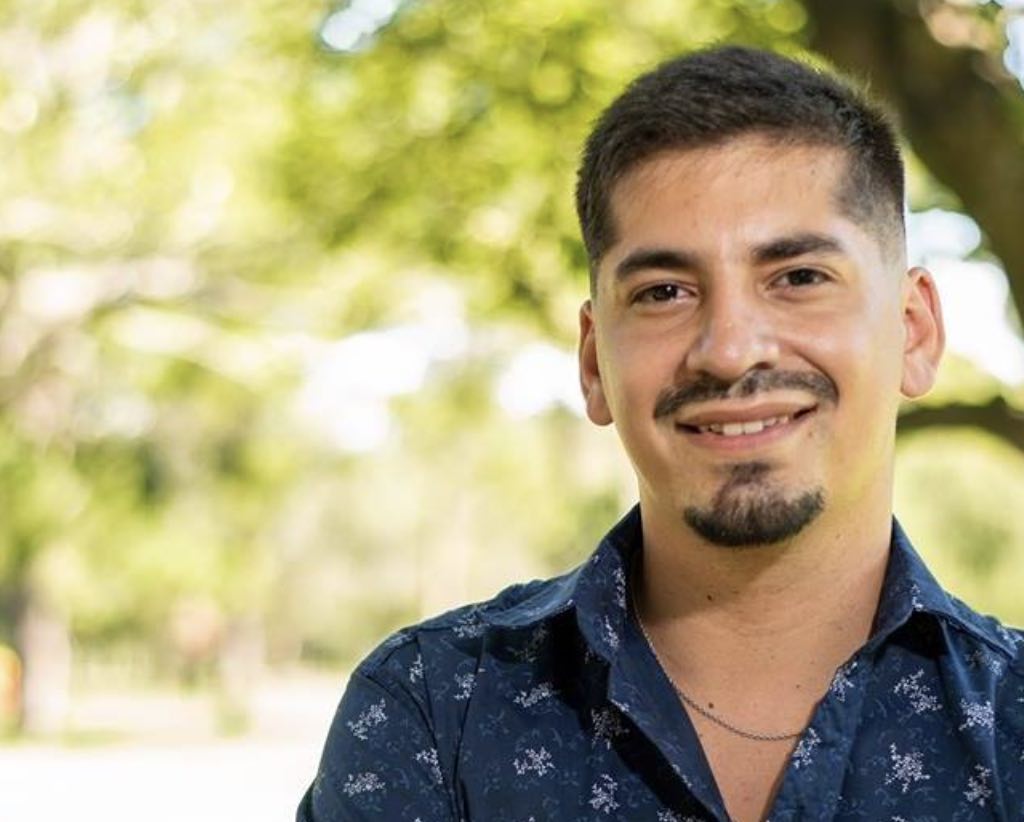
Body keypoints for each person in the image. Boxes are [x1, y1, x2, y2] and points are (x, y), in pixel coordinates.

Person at [297, 45, 1024, 821]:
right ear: (594, 364)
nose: (730, 350)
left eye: (799, 277)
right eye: (664, 292)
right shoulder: (433, 714)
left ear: (913, 331)